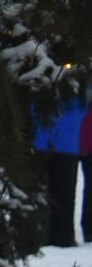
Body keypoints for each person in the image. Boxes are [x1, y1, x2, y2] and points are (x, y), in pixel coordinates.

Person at [35, 89, 90, 248]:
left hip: (65, 140)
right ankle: (44, 237)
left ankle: (61, 237)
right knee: (42, 194)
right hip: (45, 139)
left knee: (63, 194)